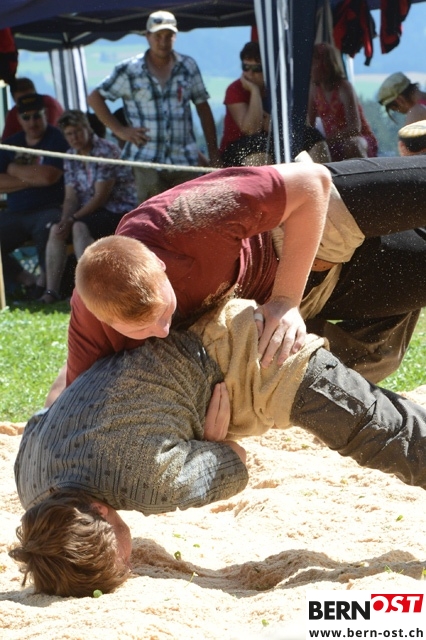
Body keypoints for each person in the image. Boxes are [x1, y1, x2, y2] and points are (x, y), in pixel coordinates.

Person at [10, 293, 426, 597]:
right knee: (376, 354)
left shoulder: (149, 484)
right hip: (189, 318)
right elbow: (59, 391)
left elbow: (236, 459)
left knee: (388, 436)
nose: (131, 561)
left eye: (124, 557)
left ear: (101, 511)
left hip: (248, 353)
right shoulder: (29, 477)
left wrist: (210, 442)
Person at [87, 10, 220, 203]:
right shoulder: (129, 69)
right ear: (147, 36)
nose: (163, 41)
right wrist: (120, 131)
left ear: (175, 37)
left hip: (184, 160)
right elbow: (95, 98)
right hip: (146, 160)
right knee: (151, 216)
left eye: (168, 36)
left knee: (189, 214)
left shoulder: (188, 66)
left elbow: (203, 107)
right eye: (158, 36)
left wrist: (213, 152)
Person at [39, 110, 137, 304]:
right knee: (56, 230)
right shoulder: (70, 155)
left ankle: (87, 293)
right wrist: (65, 220)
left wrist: (73, 219)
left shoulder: (106, 151)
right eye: (69, 134)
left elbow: (100, 197)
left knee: (79, 227)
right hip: (89, 212)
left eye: (77, 131)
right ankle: (51, 292)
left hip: (118, 210)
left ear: (87, 129)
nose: (74, 137)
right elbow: (71, 197)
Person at [0, 93, 68, 295]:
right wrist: (33, 178)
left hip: (49, 209)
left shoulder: (58, 139)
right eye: (26, 117)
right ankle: (26, 279)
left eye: (37, 116)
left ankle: (47, 289)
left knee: (50, 228)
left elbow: (49, 176)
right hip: (15, 213)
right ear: (19, 119)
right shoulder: (11, 143)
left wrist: (12, 169)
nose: (32, 122)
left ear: (45, 114)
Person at [308, 42, 378, 161]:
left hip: (358, 139)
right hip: (333, 142)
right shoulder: (314, 90)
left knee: (353, 146)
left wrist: (328, 140)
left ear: (325, 65)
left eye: (313, 63)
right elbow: (310, 125)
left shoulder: (344, 88)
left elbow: (355, 128)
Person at [219, 41, 273, 167]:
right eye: (246, 67)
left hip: (268, 144)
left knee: (311, 137)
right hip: (236, 149)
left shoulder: (278, 90)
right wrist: (255, 91)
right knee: (258, 144)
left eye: (256, 69)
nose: (249, 74)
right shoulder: (234, 89)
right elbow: (251, 129)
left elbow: (280, 129)